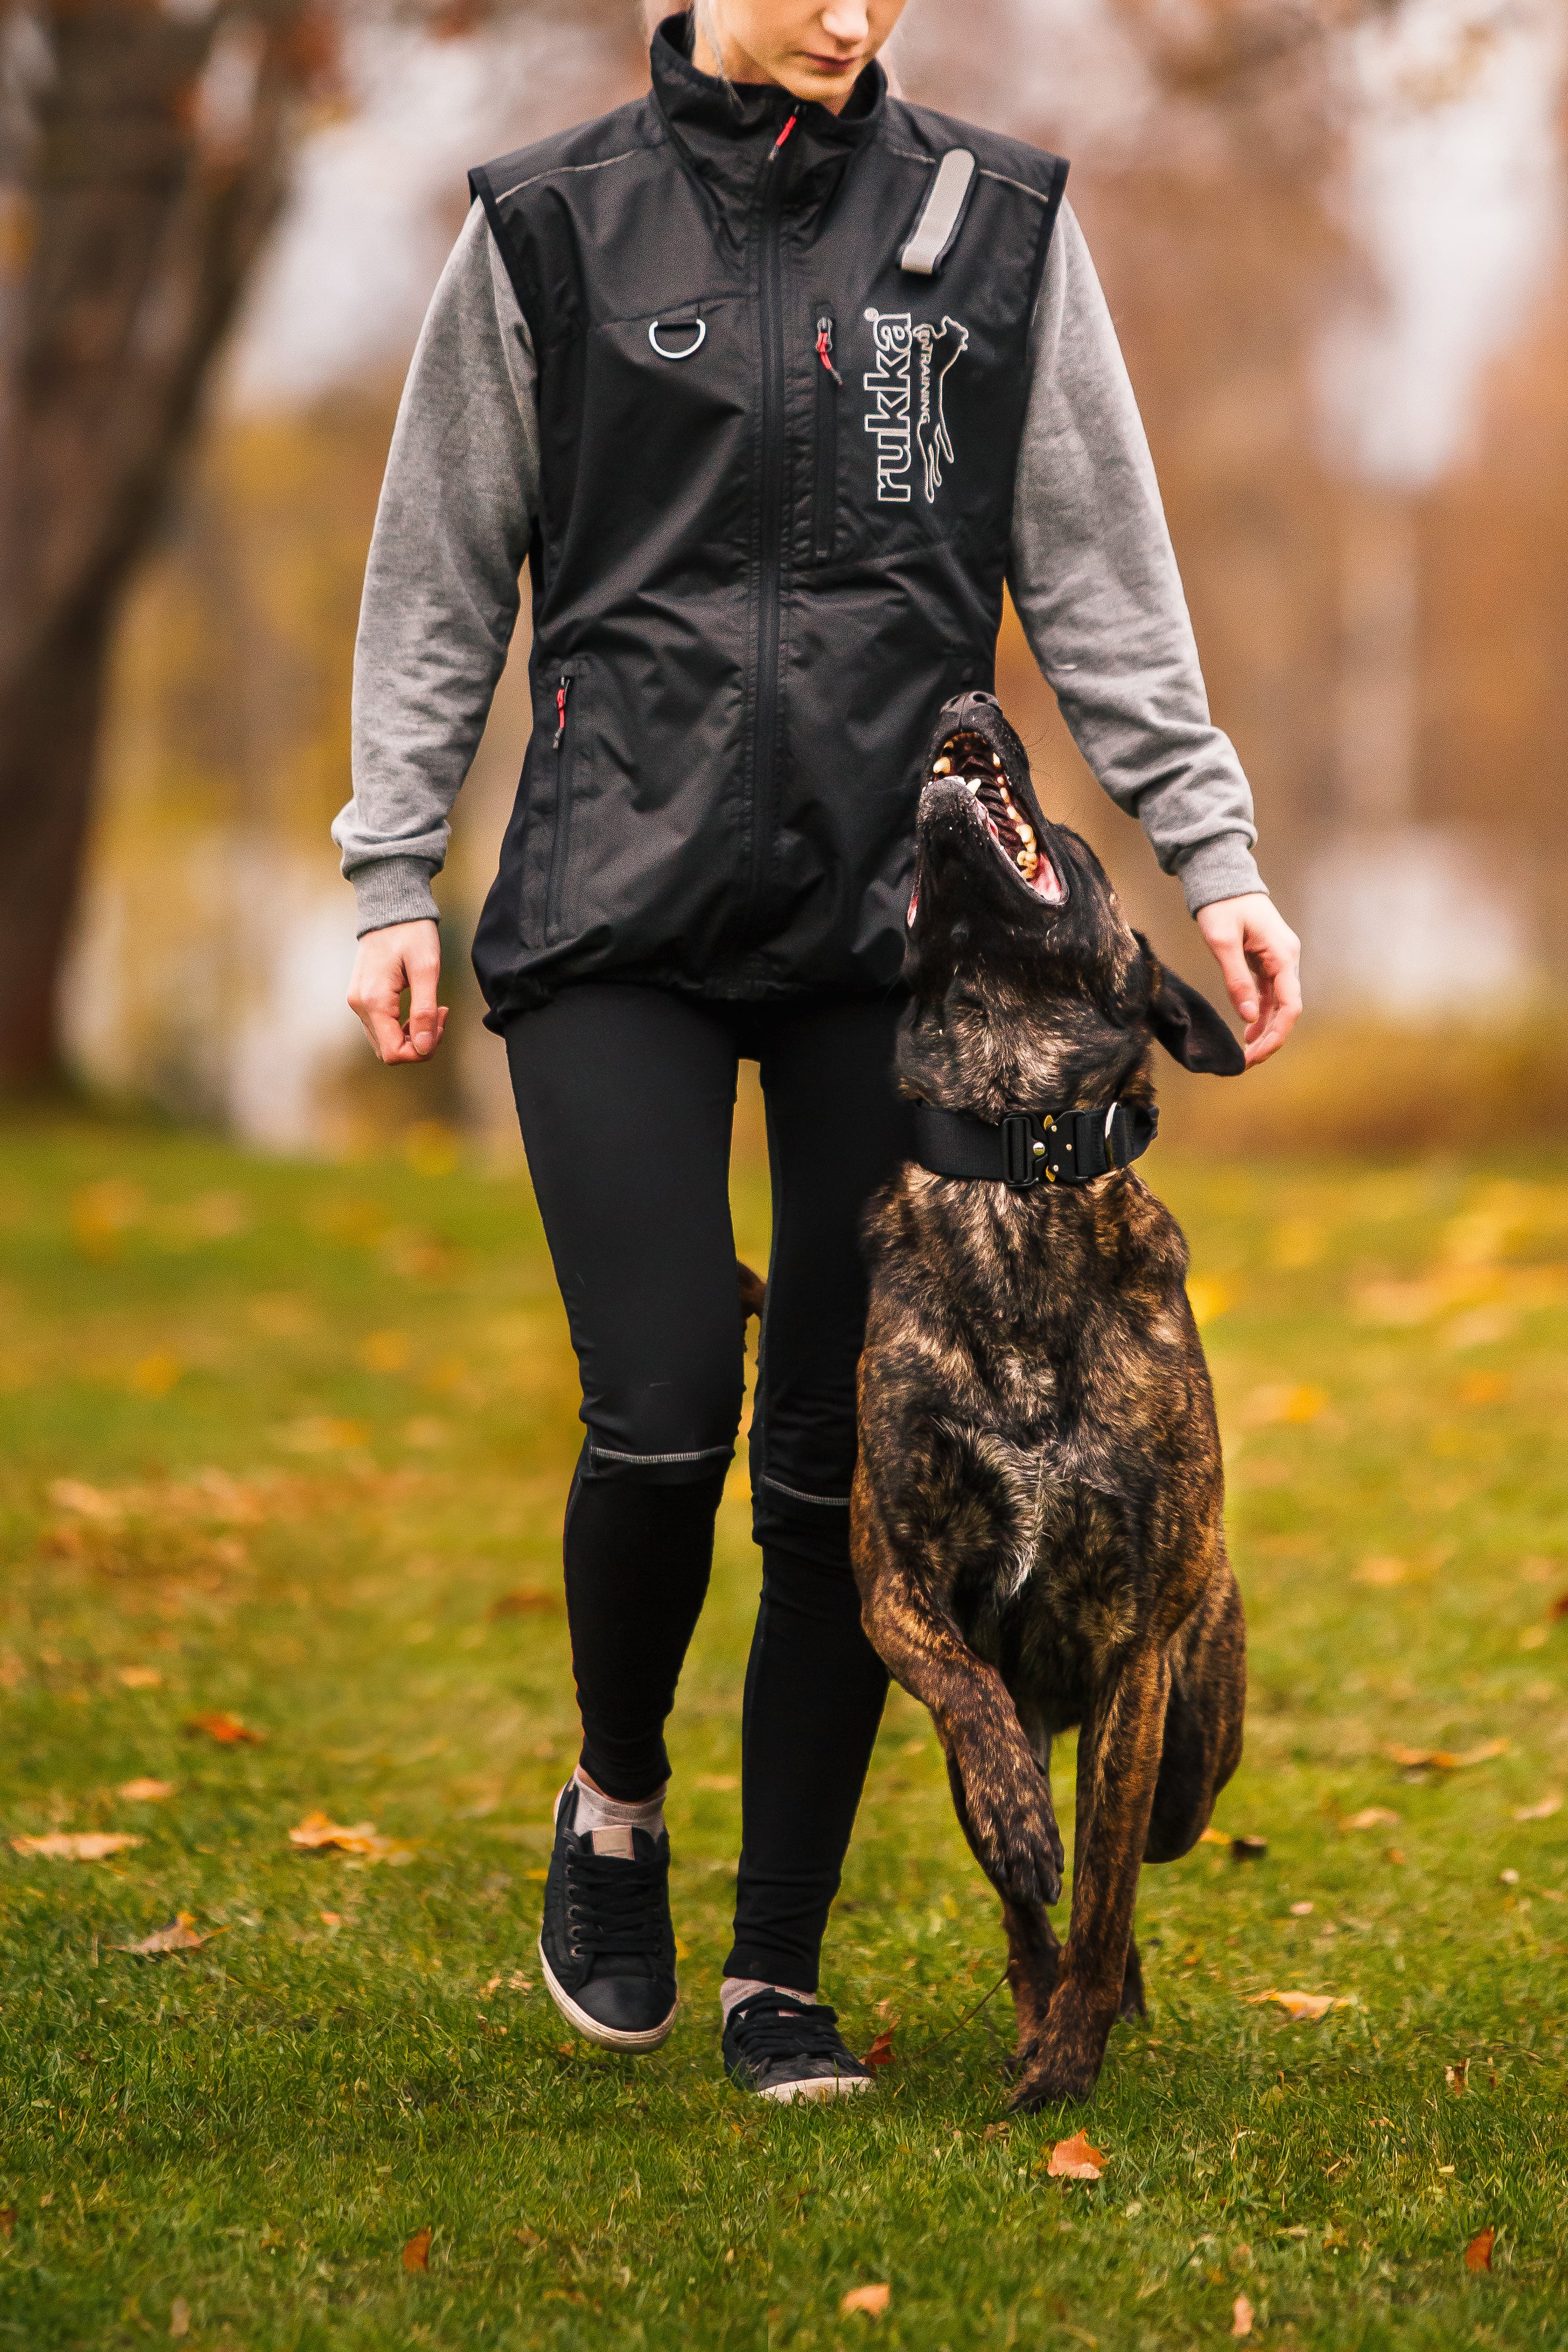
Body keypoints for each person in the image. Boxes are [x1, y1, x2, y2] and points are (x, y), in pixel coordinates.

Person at [332, 0, 1301, 2102]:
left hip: (898, 940)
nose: (855, 18)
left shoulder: (997, 226)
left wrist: (1211, 855)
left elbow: (1105, 580)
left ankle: (777, 1967)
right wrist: (390, 871)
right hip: (617, 919)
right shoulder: (549, 228)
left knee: (829, 1479)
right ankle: (612, 1807)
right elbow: (437, 584)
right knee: (667, 1404)